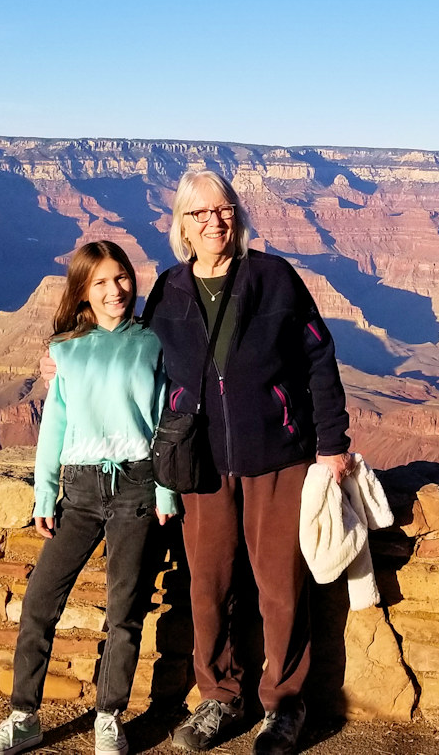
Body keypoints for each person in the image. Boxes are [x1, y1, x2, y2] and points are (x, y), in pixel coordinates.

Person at [142, 169, 354, 755]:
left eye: (224, 209)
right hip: (202, 463)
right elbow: (136, 359)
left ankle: (284, 704)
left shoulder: (274, 277)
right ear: (181, 225)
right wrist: (62, 361)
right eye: (200, 213)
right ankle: (219, 697)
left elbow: (319, 358)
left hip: (278, 457)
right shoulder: (168, 291)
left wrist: (332, 443)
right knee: (207, 586)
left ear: (238, 213)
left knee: (279, 585)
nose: (215, 221)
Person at [0, 240, 179, 755]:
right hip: (81, 490)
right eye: (101, 283)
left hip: (136, 486)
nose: (116, 290)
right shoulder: (65, 351)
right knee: (41, 602)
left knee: (125, 609)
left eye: (122, 279)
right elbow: (56, 426)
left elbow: (164, 422)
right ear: (83, 292)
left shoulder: (153, 343)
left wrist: (164, 488)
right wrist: (44, 493)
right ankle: (24, 717)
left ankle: (108, 717)